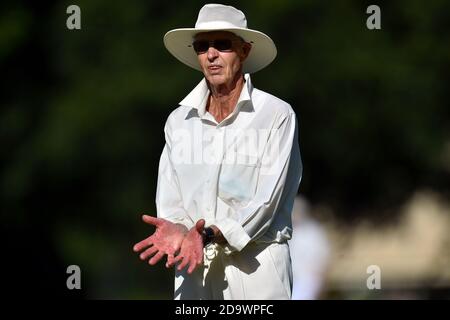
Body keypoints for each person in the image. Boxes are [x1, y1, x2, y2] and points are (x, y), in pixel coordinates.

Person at [133, 3, 302, 300]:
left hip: (257, 267)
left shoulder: (276, 114)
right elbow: (170, 199)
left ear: (244, 51)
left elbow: (266, 203)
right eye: (202, 47)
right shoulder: (178, 121)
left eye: (222, 45)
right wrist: (178, 230)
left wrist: (208, 234)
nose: (211, 55)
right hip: (193, 266)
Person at [289, 196, 330, 299]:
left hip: (308, 279)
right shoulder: (286, 231)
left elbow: (323, 256)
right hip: (290, 277)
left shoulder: (314, 231)